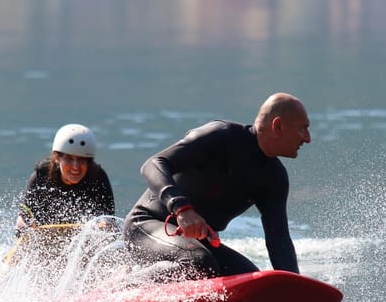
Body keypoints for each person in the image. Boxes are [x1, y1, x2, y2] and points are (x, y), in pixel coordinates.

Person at [124, 92, 311, 279]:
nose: (308, 138)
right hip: (147, 225)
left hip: (195, 243)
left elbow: (279, 241)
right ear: (277, 126)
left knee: (252, 282)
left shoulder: (275, 178)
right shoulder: (222, 135)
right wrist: (182, 209)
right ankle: (122, 286)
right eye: (302, 129)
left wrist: (294, 289)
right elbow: (153, 164)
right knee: (197, 261)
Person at [15, 123, 115, 236]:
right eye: (68, 159)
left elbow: (108, 216)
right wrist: (23, 225)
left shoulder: (98, 178)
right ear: (57, 158)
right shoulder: (41, 175)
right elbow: (24, 215)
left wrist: (104, 224)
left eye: (82, 160)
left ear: (89, 162)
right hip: (44, 237)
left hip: (83, 239)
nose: (76, 166)